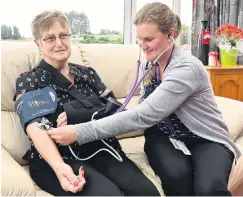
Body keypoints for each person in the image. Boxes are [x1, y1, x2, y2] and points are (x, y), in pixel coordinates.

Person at [47, 3, 242, 196]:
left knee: (209, 189)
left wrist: (79, 132)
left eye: (149, 38)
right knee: (176, 176)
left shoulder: (186, 69)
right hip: (163, 136)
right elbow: (136, 108)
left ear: (170, 34)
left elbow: (144, 115)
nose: (142, 45)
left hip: (204, 138)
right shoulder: (151, 63)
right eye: (140, 39)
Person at [14, 10, 160, 196]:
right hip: (58, 158)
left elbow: (116, 109)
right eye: (50, 38)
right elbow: (35, 127)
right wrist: (60, 167)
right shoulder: (30, 80)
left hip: (102, 147)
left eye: (63, 36)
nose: (59, 43)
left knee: (147, 193)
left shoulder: (87, 74)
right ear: (38, 44)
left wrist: (76, 113)